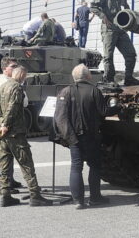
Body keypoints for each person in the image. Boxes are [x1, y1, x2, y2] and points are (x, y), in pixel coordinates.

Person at [0, 65, 52, 207]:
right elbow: (13, 107)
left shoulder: (2, 87)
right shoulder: (17, 88)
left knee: (4, 166)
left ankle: (5, 195)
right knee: (27, 165)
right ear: (22, 76)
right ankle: (35, 195)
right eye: (25, 76)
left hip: (3, 135)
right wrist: (5, 124)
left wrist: (0, 124)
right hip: (15, 134)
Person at [54, 64, 108, 209]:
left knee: (76, 167)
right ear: (88, 76)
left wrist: (70, 138)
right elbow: (104, 112)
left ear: (74, 77)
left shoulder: (65, 92)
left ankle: (78, 201)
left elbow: (60, 118)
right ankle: (95, 198)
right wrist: (119, 107)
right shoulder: (94, 91)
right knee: (95, 166)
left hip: (74, 137)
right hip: (91, 137)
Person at [90, 0, 139, 86]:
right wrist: (103, 16)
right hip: (109, 29)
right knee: (108, 56)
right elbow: (92, 6)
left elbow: (127, 10)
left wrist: (129, 23)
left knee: (131, 54)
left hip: (121, 30)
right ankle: (109, 79)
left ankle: (128, 78)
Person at [0, 57, 25, 195]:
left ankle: (8, 180)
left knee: (8, 155)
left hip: (8, 122)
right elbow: (3, 107)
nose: (16, 68)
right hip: (8, 124)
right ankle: (3, 184)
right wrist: (3, 123)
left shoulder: (11, 82)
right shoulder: (3, 83)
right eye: (13, 66)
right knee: (7, 155)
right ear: (5, 69)